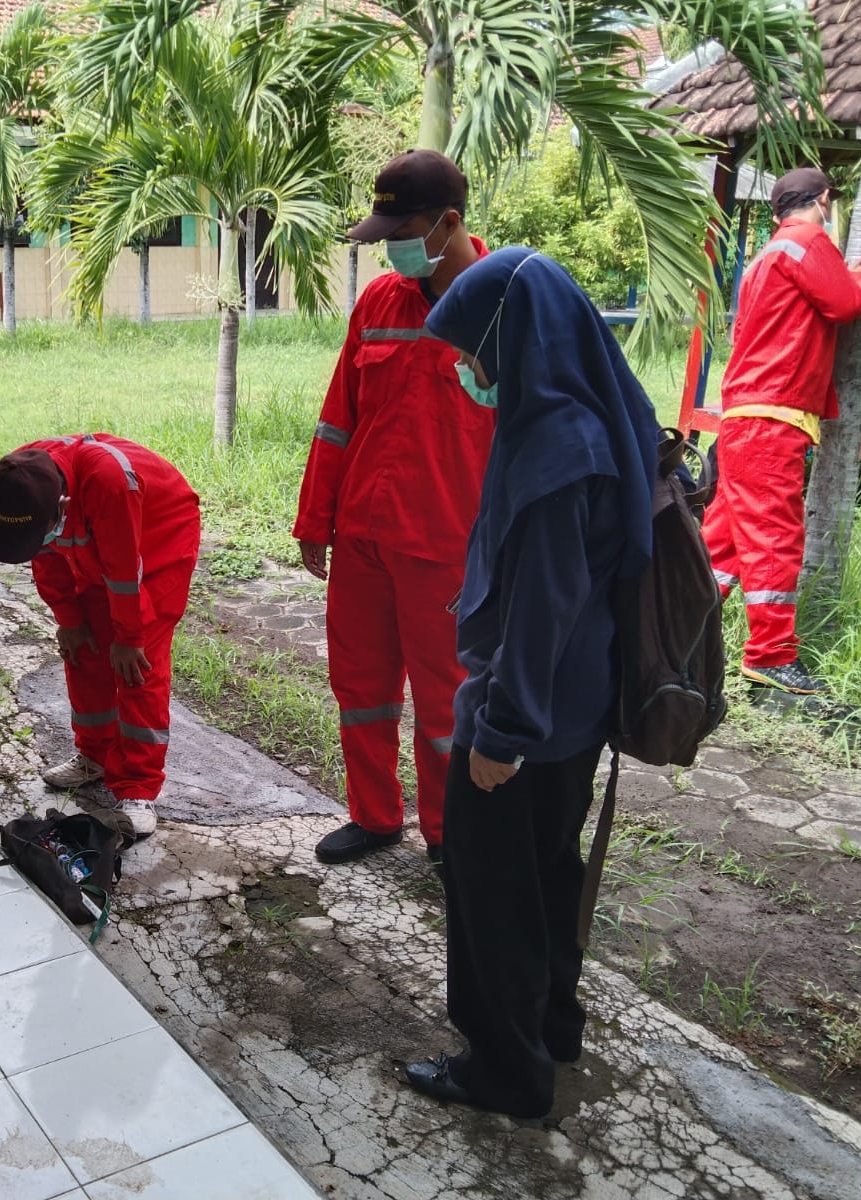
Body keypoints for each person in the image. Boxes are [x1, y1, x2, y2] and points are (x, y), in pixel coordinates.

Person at [402, 248, 660, 1119]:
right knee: (546, 875)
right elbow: (555, 584)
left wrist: (500, 735)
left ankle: (505, 1071)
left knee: (492, 897)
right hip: (574, 706)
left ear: (514, 341)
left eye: (475, 352)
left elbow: (545, 606)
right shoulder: (598, 416)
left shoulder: (554, 449)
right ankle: (552, 1026)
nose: (470, 371)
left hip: (526, 713)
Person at [293, 149, 496, 866]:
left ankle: (449, 831)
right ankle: (375, 816)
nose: (389, 252)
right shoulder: (379, 304)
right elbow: (336, 420)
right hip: (363, 539)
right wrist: (316, 519)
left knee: (448, 702)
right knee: (361, 687)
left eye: (397, 233)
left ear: (448, 223)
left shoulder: (506, 304)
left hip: (448, 545)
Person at [701, 166, 861, 695]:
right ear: (823, 200)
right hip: (772, 418)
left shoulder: (765, 255)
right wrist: (858, 278)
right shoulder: (807, 240)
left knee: (724, 543)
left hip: (747, 416)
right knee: (774, 537)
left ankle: (674, 629)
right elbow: (846, 304)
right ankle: (769, 656)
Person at [0, 435, 201, 839]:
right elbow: (45, 557)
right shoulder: (24, 479)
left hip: (157, 543)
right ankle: (94, 757)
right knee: (83, 649)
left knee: (137, 667)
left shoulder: (110, 482)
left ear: (61, 509)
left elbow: (124, 571)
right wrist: (70, 620)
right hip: (103, 549)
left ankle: (137, 787)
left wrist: (130, 637)